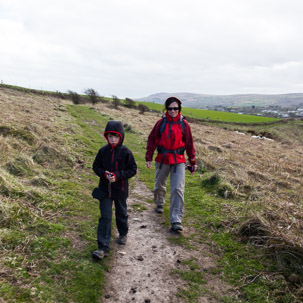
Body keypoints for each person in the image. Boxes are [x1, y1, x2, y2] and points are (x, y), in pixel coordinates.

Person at [145, 97, 197, 231]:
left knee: (178, 189)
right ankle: (159, 203)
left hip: (179, 160)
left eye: (175, 108)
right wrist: (148, 157)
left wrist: (192, 160)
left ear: (179, 109)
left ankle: (176, 219)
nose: (173, 111)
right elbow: (151, 140)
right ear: (166, 109)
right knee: (159, 186)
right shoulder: (160, 123)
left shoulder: (184, 124)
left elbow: (189, 143)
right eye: (170, 108)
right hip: (162, 158)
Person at [92, 120, 137, 260]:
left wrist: (118, 176)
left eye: (116, 136)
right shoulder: (102, 151)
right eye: (110, 136)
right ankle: (102, 248)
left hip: (120, 190)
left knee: (121, 213)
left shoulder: (126, 152)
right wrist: (104, 174)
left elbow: (133, 170)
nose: (112, 139)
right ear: (106, 137)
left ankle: (123, 233)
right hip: (105, 190)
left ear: (121, 137)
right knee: (105, 217)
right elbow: (95, 167)